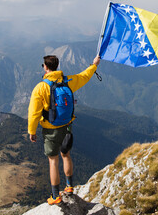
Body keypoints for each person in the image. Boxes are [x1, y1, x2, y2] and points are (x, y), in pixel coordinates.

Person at [28, 54, 101, 205]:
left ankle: (55, 196)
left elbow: (34, 112)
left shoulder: (41, 87)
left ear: (46, 67)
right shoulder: (68, 81)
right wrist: (94, 65)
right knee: (66, 155)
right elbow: (84, 76)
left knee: (53, 161)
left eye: (43, 66)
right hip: (67, 125)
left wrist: (32, 131)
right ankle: (69, 187)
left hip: (51, 129)